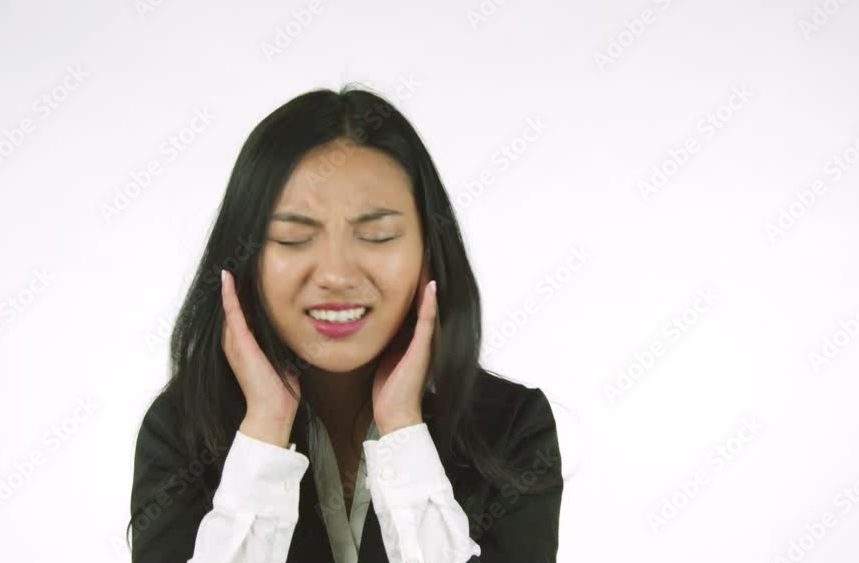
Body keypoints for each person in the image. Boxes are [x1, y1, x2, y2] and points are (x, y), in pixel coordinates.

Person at [126, 86, 563, 563]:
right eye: (293, 238)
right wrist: (265, 430)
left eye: (378, 235)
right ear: (245, 260)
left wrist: (403, 429)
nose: (336, 275)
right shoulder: (182, 432)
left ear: (429, 253)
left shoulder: (509, 427)